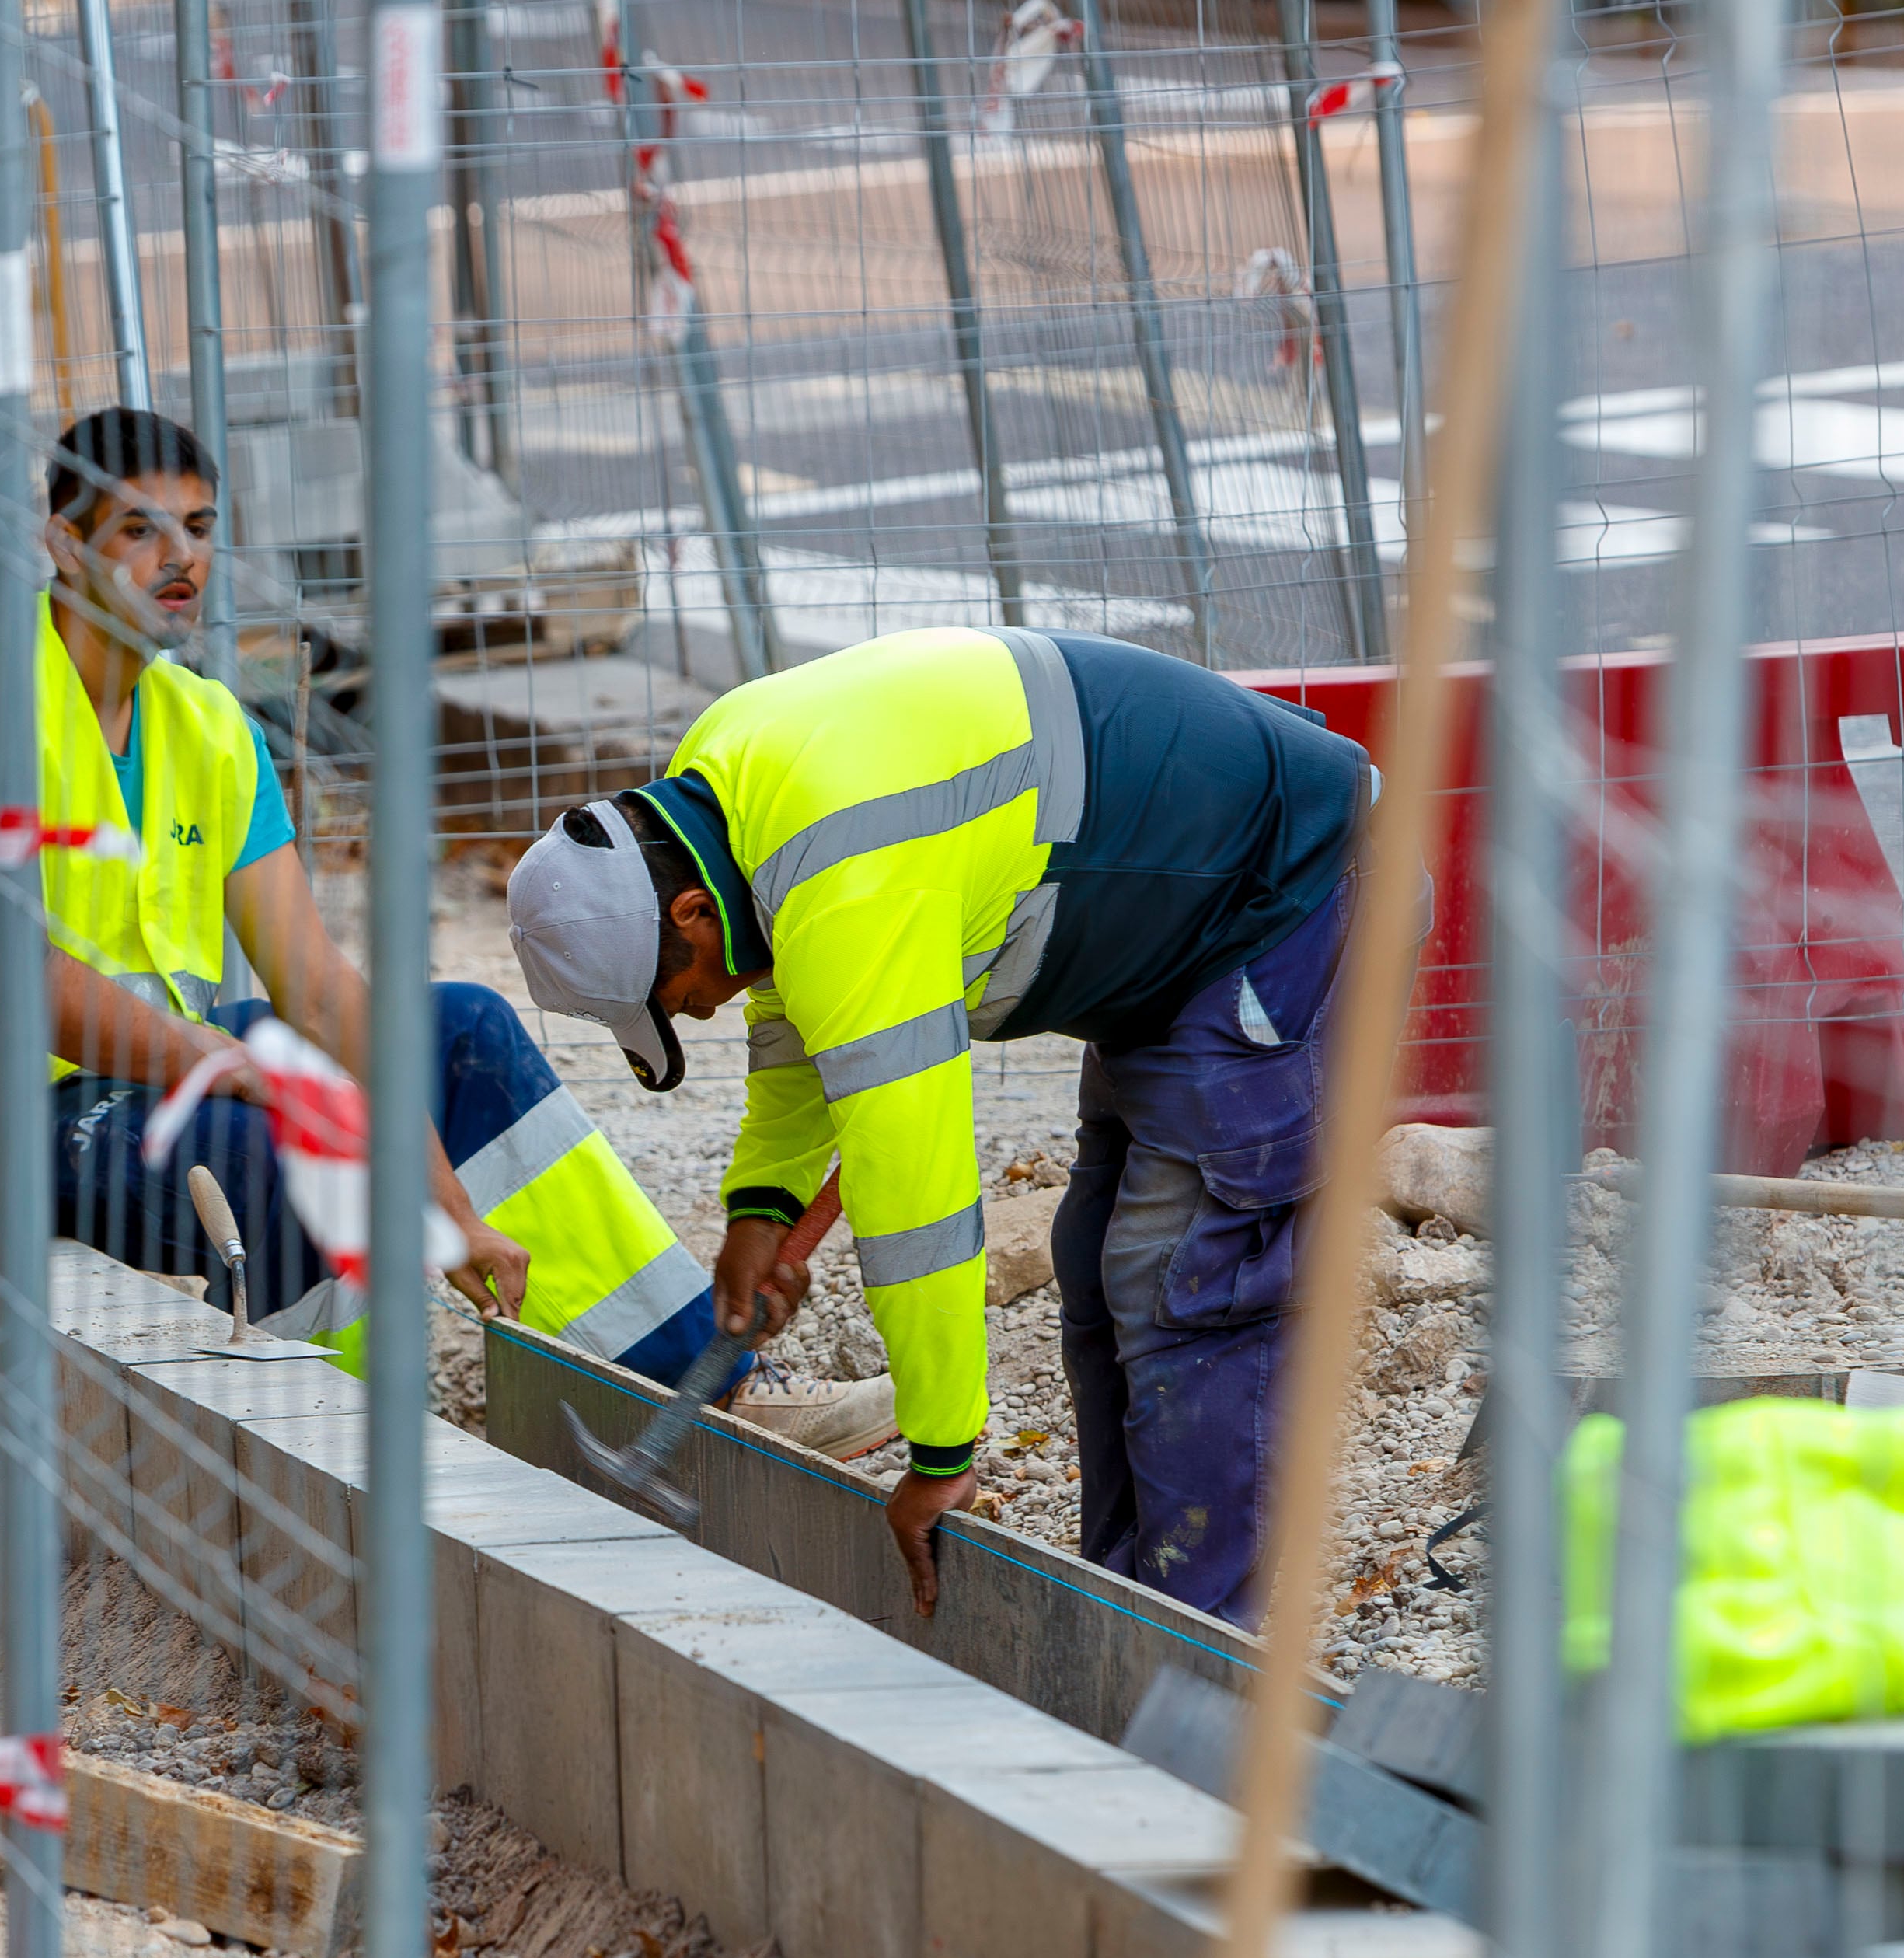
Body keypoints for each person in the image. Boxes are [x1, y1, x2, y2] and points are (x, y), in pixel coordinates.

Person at [0, 406, 715, 1379]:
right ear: (64, 546)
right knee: (281, 1140)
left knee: (458, 1032)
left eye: (198, 529)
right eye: (138, 530)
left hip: (133, 1086)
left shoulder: (208, 727)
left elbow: (318, 989)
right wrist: (235, 1065)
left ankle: (700, 1385)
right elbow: (10, 977)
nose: (181, 559)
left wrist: (453, 1213)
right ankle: (345, 1428)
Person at [501, 623, 1365, 1621]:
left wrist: (942, 1451)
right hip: (1173, 922)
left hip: (1280, 886)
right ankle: (1130, 1608)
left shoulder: (846, 874)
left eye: (673, 995)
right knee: (1094, 1268)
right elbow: (794, 1022)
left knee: (1179, 1281)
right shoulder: (725, 788)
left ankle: (1212, 1654)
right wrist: (759, 1208)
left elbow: (914, 1201)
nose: (694, 1012)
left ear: (693, 913)